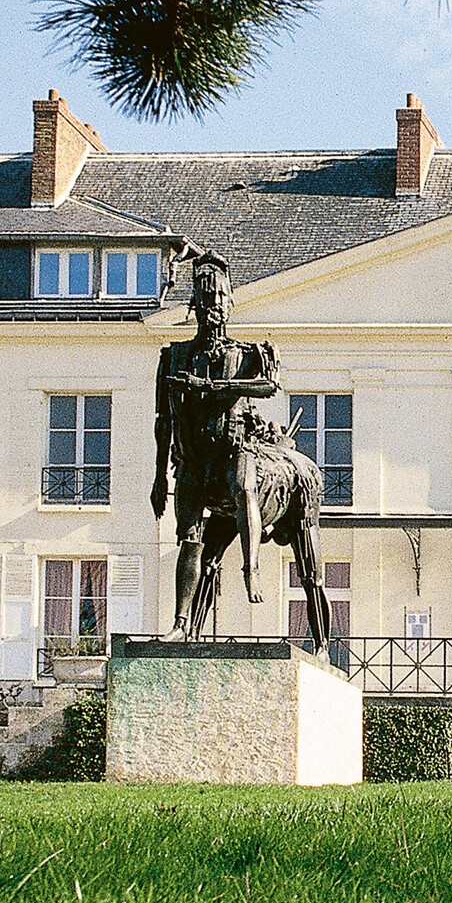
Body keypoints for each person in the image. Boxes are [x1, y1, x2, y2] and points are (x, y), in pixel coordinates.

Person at [148, 251, 284, 636]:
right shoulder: (174, 357)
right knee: (189, 542)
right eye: (207, 302)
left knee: (244, 488)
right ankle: (180, 622)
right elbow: (163, 421)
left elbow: (269, 386)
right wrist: (160, 478)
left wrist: (214, 387)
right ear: (195, 306)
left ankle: (250, 569)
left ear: (230, 305)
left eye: (220, 301)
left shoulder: (245, 353)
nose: (214, 309)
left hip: (233, 450)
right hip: (192, 460)